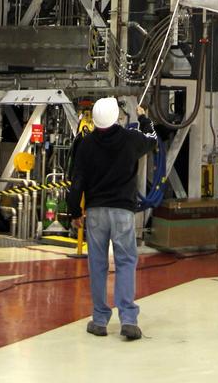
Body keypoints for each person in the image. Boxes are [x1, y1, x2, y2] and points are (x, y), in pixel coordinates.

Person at [67, 96, 157, 341]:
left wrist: (75, 212)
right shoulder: (130, 140)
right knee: (126, 262)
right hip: (123, 213)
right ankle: (128, 319)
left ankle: (99, 320)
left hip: (95, 213)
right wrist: (143, 118)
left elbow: (77, 183)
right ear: (117, 117)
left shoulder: (85, 145)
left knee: (97, 264)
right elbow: (153, 140)